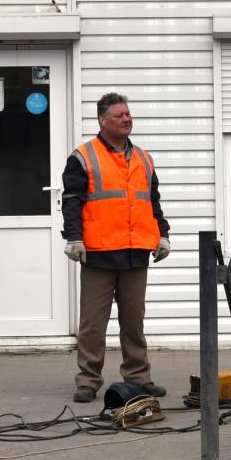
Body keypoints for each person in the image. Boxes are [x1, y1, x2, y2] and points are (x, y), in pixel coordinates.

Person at [61, 92, 170, 403]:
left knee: (134, 322)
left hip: (136, 251)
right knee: (93, 323)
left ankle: (138, 378)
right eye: (119, 115)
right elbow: (72, 200)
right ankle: (88, 380)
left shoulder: (143, 158)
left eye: (128, 114)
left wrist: (162, 234)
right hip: (99, 252)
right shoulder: (84, 156)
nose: (126, 119)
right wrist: (74, 237)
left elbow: (152, 202)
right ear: (102, 121)